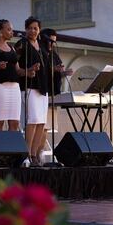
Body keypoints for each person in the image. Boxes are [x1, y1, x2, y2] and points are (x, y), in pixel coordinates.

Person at [0, 19, 32, 132]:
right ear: (0, 31)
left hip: (14, 87)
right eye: (9, 29)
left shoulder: (12, 48)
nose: (12, 32)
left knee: (14, 122)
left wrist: (28, 71)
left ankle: (11, 149)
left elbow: (18, 70)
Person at [38, 28, 72, 161]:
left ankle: (39, 154)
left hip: (52, 93)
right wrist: (53, 69)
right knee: (40, 126)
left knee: (46, 128)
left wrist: (64, 73)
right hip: (41, 91)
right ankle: (34, 154)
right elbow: (42, 70)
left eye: (54, 42)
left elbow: (58, 71)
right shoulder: (41, 51)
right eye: (50, 41)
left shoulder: (53, 54)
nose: (52, 44)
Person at [15, 17, 44, 166]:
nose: (33, 31)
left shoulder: (42, 44)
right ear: (25, 29)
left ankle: (34, 154)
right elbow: (15, 65)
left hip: (42, 86)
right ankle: (26, 154)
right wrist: (28, 71)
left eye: (36, 28)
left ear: (39, 30)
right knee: (32, 120)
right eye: (30, 28)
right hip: (29, 85)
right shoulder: (22, 44)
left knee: (41, 122)